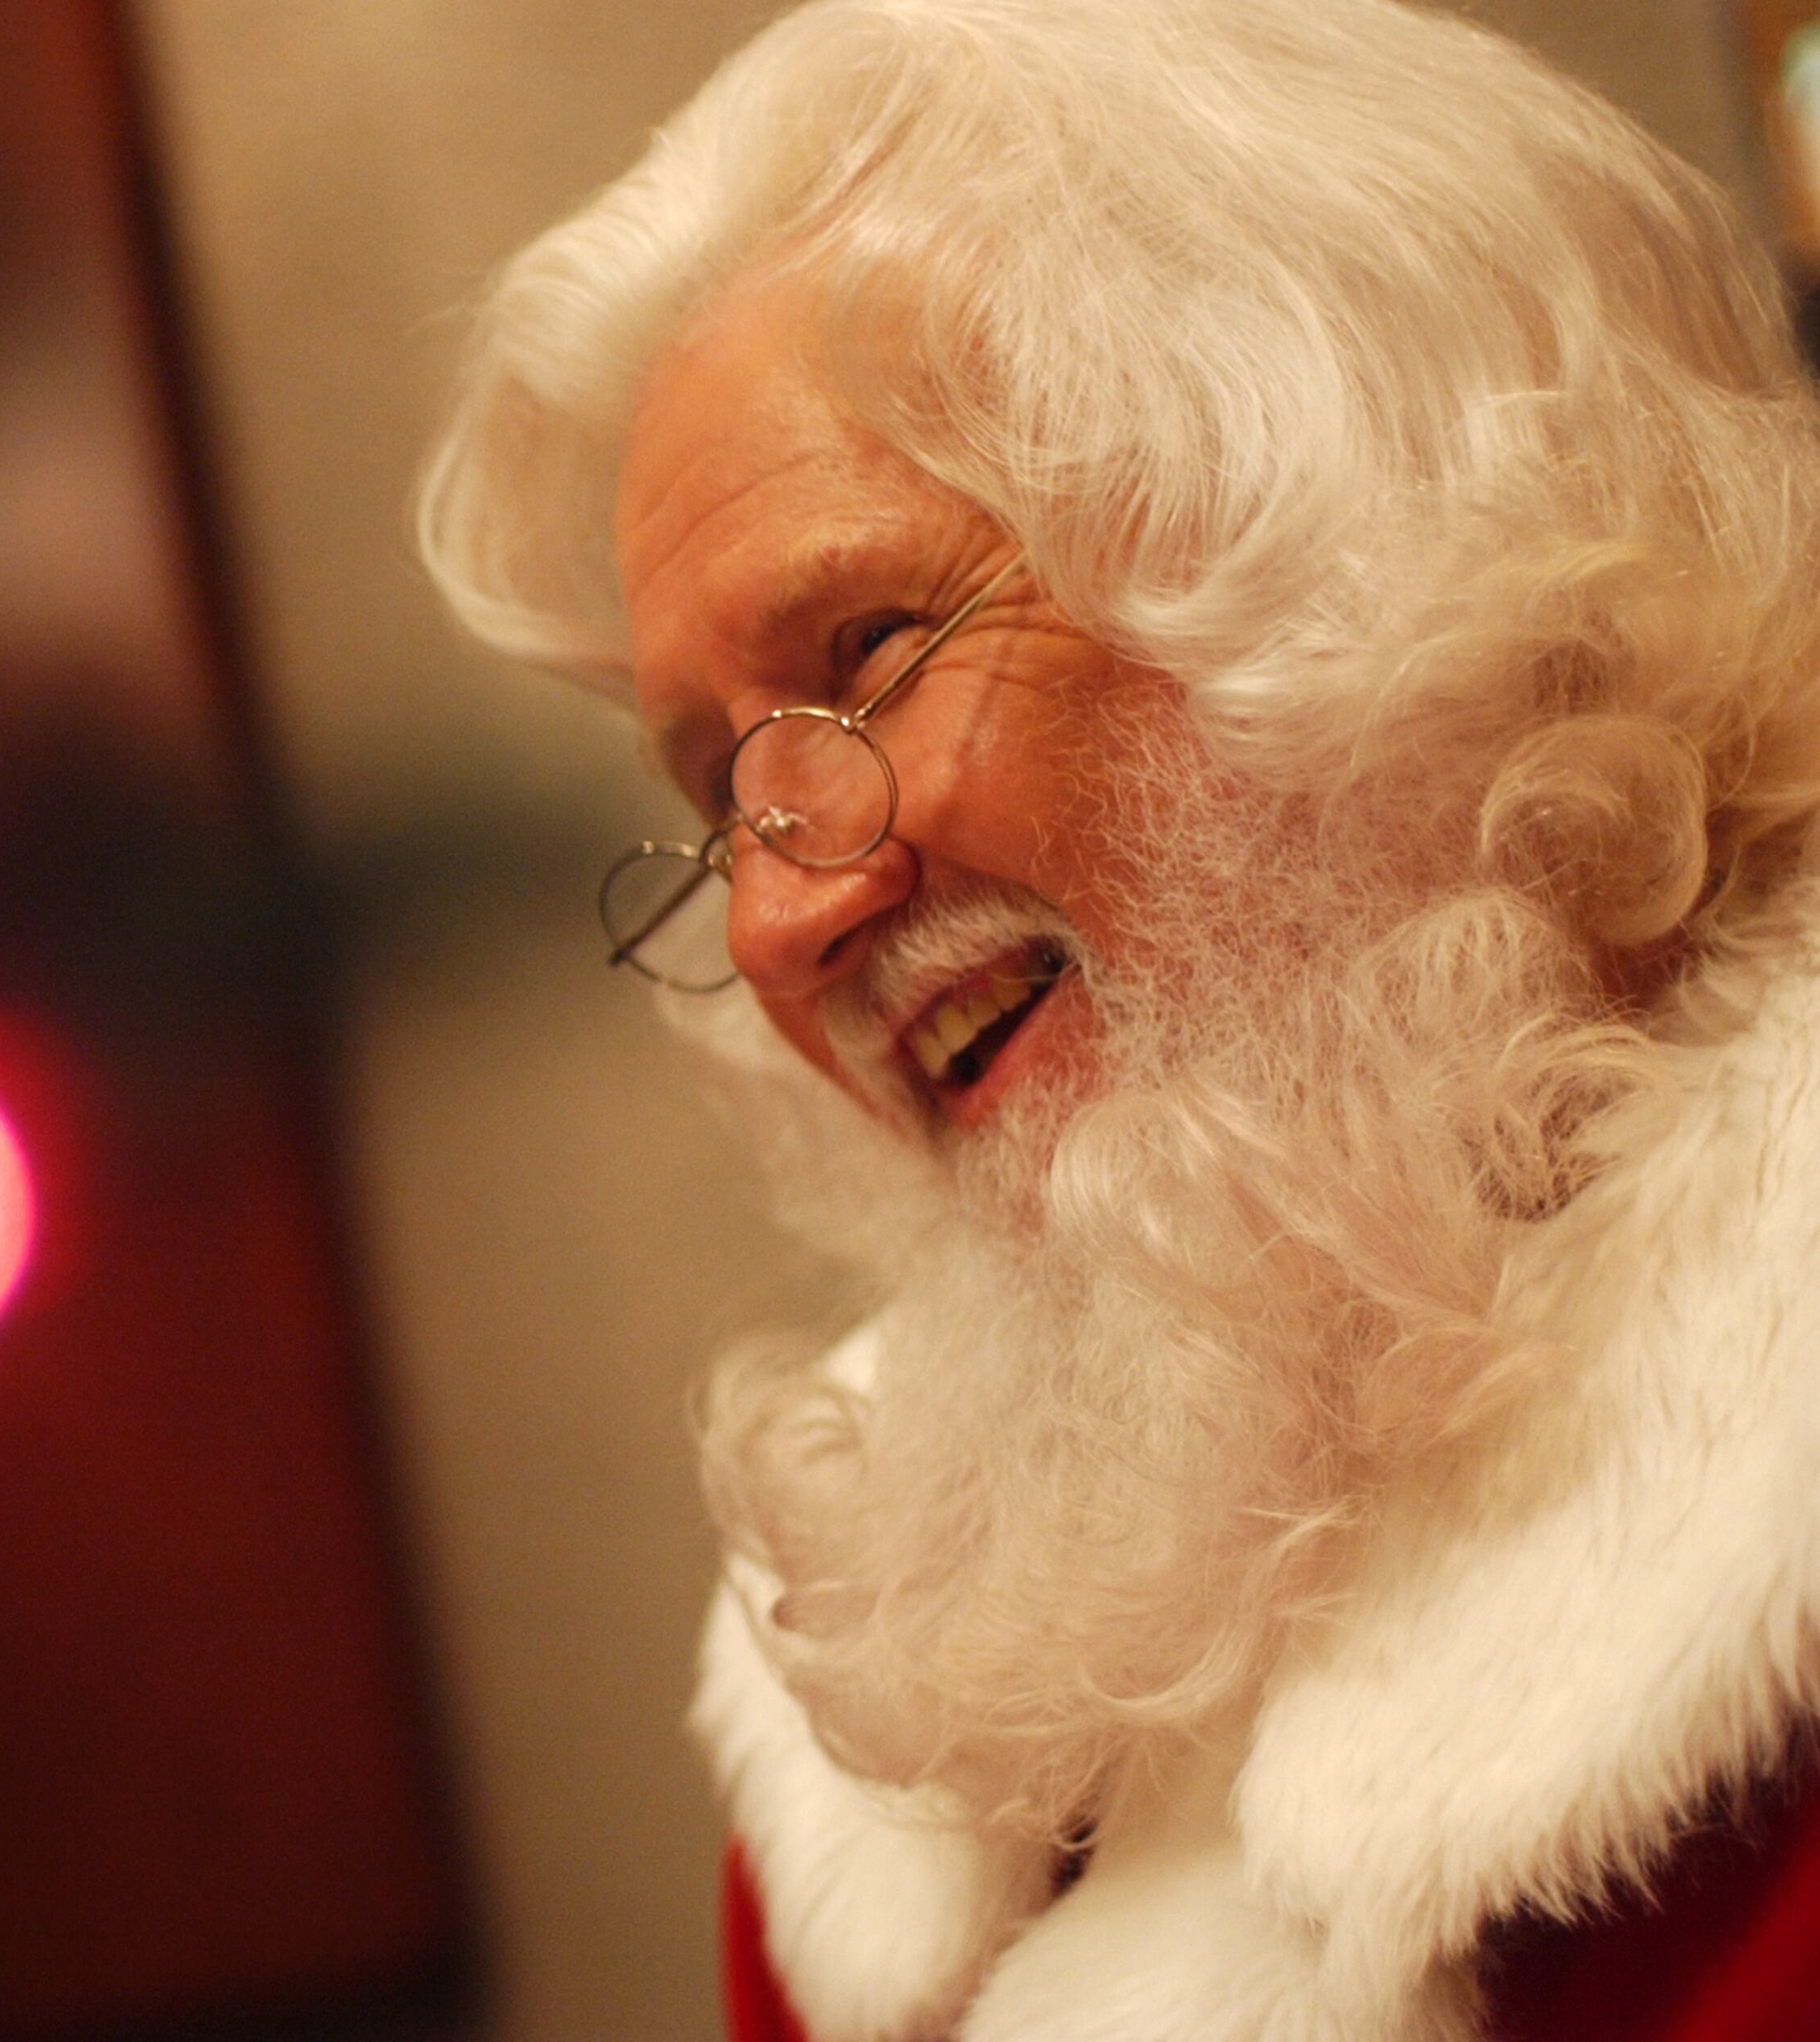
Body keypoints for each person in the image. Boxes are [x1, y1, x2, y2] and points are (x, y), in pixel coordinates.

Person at [416, 1, 1820, 2036]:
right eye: (718, 791)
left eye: (874, 652)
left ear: (1371, 534)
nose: (784, 911)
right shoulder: (875, 1815)